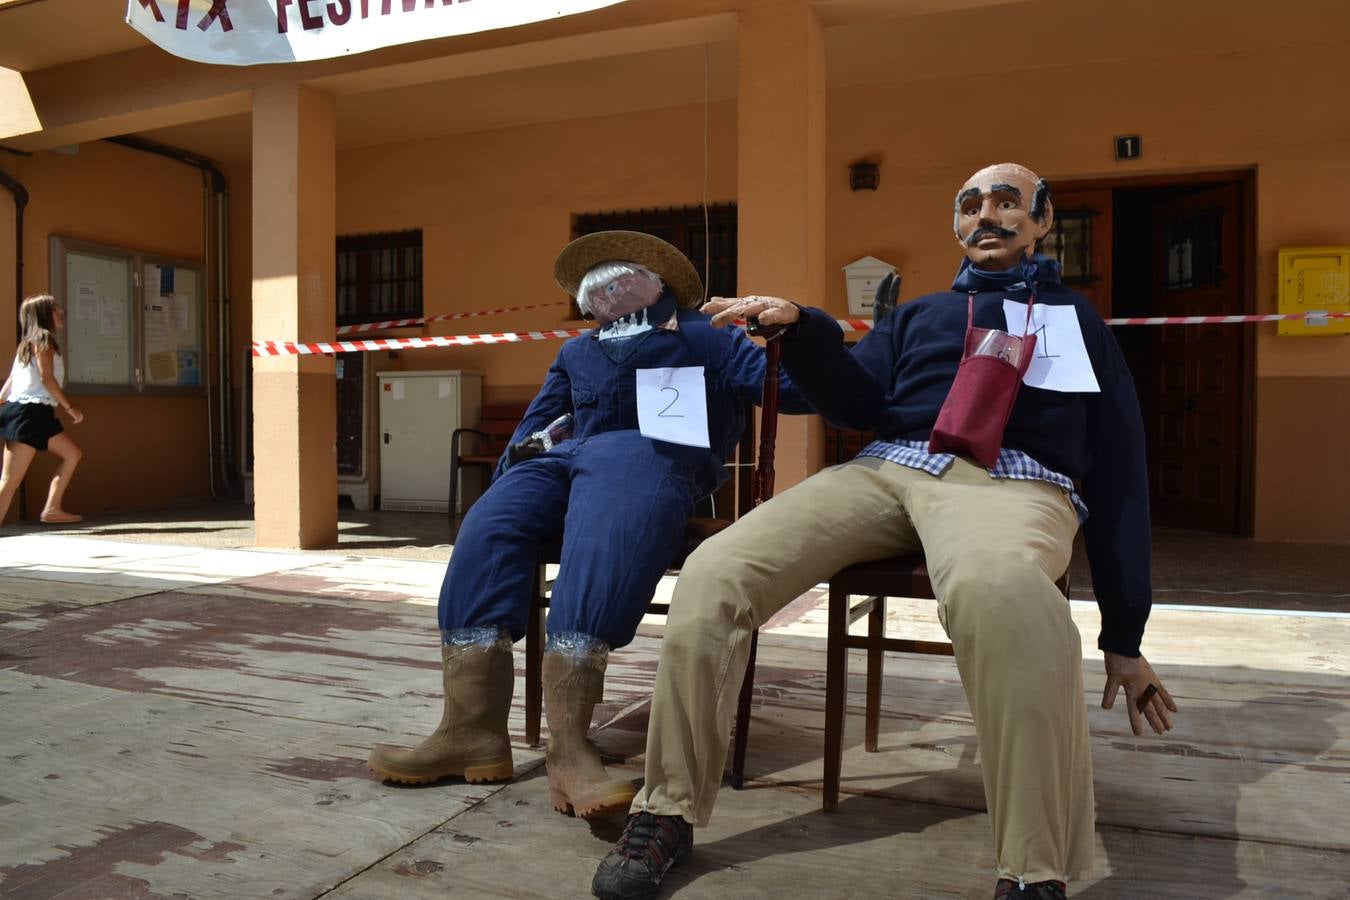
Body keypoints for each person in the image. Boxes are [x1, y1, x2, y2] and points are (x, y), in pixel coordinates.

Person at [591, 163, 1180, 900]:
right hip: (886, 470)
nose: (988, 216)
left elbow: (1122, 465)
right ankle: (667, 809)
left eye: (1008, 203)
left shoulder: (1078, 321)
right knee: (717, 568)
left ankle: (1034, 872)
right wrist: (804, 329)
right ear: (956, 224)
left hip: (1013, 481)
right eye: (971, 205)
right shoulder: (919, 315)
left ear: (1041, 222)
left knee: (1001, 590)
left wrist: (1124, 633)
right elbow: (853, 403)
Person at [368, 231, 799, 821]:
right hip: (567, 461)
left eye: (620, 270)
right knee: (492, 518)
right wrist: (522, 460)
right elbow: (539, 422)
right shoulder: (578, 351)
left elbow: (791, 390)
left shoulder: (710, 339)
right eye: (593, 276)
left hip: (654, 459)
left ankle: (569, 748)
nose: (604, 280)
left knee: (613, 502)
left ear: (661, 284)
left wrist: (800, 335)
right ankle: (470, 731)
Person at [0, 294, 85, 526]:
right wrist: (70, 408)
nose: (61, 311)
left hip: (34, 413)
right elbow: (47, 379)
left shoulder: (27, 343)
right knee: (10, 480)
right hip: (30, 413)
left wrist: (1, 401)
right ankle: (52, 507)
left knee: (72, 454)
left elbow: (11, 381)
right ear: (44, 314)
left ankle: (52, 508)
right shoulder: (44, 339)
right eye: (55, 308)